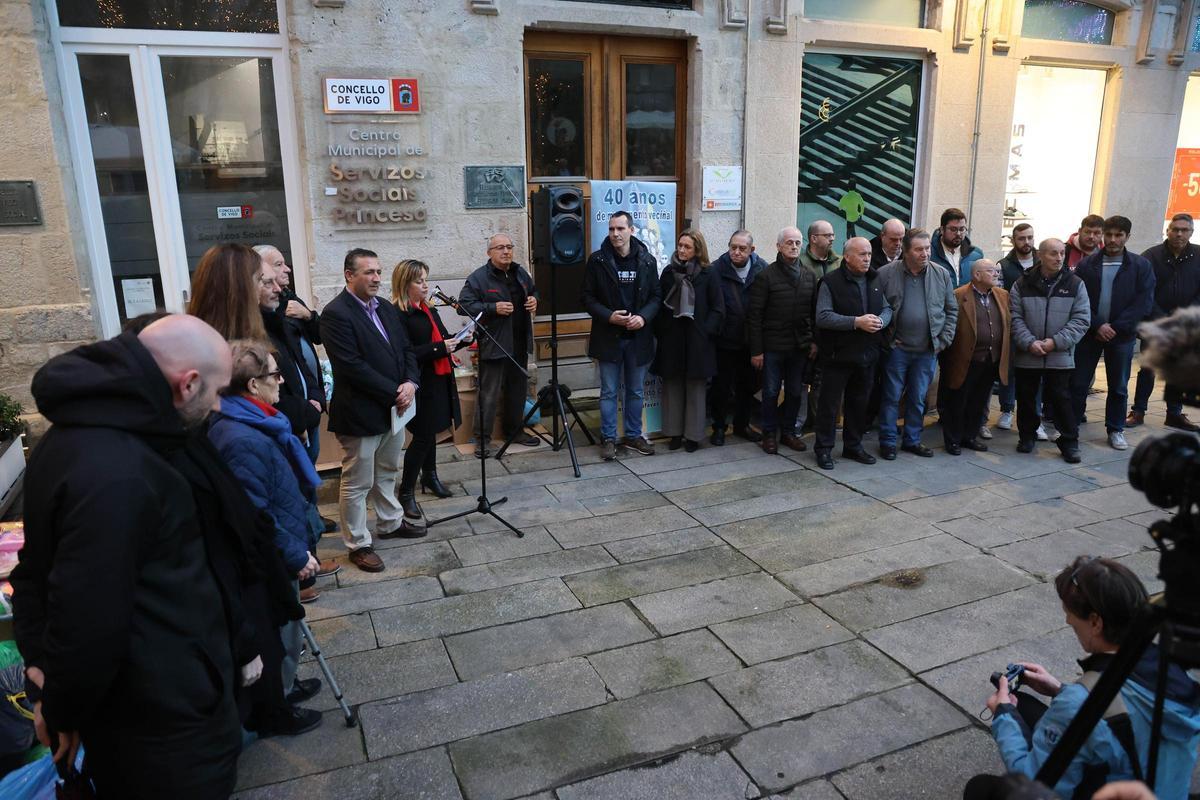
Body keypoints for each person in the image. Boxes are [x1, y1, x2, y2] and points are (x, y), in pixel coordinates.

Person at [11, 315, 256, 799]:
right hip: (163, 728)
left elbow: (39, 572)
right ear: (186, 385)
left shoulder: (84, 431)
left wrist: (49, 680)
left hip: (155, 710)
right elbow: (87, 619)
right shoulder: (119, 472)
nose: (220, 405)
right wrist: (60, 705)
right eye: (218, 391)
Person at [985, 556, 1200, 800]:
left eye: (1071, 616)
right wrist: (1059, 689)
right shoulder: (1172, 671)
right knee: (1027, 708)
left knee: (981, 788)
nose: (1067, 620)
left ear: (1096, 622)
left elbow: (1036, 784)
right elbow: (1127, 707)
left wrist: (1002, 714)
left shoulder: (1075, 704)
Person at [207, 340, 323, 737]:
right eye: (275, 374)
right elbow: (256, 512)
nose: (282, 380)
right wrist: (294, 552)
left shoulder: (255, 420)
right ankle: (278, 704)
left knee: (285, 626)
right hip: (272, 552)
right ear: (253, 385)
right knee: (279, 627)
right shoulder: (242, 438)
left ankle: (287, 687)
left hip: (282, 540)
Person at [320, 248, 421, 573]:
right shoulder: (335, 313)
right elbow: (351, 366)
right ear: (349, 275)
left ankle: (390, 523)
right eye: (368, 272)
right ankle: (358, 543)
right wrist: (395, 391)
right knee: (358, 481)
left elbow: (405, 349)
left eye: (378, 271)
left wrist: (411, 383)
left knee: (388, 470)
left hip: (394, 408)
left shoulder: (387, 308)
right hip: (361, 413)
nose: (377, 278)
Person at [581, 210, 662, 460]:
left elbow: (656, 296)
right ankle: (607, 439)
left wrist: (643, 317)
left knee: (636, 391)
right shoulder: (597, 261)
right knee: (608, 391)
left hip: (638, 338)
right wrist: (608, 315)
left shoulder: (647, 260)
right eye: (611, 229)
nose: (615, 234)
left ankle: (634, 435)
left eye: (620, 229)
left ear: (632, 230)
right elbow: (586, 298)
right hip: (608, 336)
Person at [1071, 216, 1156, 451]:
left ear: (1127, 237)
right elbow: (1080, 299)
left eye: (1118, 235)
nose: (1112, 239)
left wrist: (1115, 327)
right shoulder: (1087, 265)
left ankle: (1115, 428)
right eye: (1108, 234)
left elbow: (1143, 302)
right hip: (1091, 333)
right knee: (1078, 383)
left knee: (1118, 385)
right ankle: (1071, 426)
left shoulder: (1140, 266)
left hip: (1122, 336)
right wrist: (1098, 325)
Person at [876, 228, 958, 459]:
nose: (925, 254)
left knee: (918, 397)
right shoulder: (886, 274)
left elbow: (951, 310)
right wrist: (886, 340)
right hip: (897, 350)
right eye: (919, 249)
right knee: (891, 397)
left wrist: (942, 341)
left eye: (928, 248)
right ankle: (888, 441)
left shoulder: (940, 274)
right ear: (906, 251)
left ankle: (912, 440)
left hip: (927, 350)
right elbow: (875, 309)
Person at [393, 259, 470, 503]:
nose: (425, 285)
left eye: (426, 279)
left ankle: (430, 476)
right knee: (424, 436)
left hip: (438, 379)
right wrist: (439, 348)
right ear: (405, 284)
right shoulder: (399, 314)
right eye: (419, 281)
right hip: (418, 382)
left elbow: (445, 339)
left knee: (433, 431)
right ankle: (406, 490)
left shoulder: (429, 309)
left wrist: (465, 338)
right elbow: (404, 353)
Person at [1010, 238, 1091, 463]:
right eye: (1053, 253)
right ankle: (1026, 436)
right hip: (1029, 354)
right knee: (1026, 398)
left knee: (1062, 399)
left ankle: (1069, 441)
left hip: (1059, 355)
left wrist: (1055, 342)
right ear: (1041, 256)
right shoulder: (1022, 284)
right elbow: (1015, 317)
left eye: (1062, 253)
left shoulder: (1075, 284)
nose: (1059, 258)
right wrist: (1029, 342)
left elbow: (1081, 319)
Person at [460, 233, 539, 457]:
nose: (506, 251)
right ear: (489, 253)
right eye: (500, 248)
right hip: (494, 343)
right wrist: (493, 308)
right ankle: (482, 440)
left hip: (519, 341)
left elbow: (534, 291)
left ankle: (514, 431)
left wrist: (535, 300)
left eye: (509, 247)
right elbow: (463, 306)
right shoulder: (478, 278)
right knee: (489, 393)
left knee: (517, 390)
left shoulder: (519, 272)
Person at [812, 236, 889, 469]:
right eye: (862, 254)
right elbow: (822, 317)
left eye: (868, 254)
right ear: (847, 257)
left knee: (859, 403)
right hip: (838, 355)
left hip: (867, 355)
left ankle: (853, 446)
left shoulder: (874, 279)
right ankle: (824, 449)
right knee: (830, 405)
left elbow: (886, 307)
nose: (867, 259)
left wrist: (881, 321)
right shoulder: (830, 282)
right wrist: (856, 322)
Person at [651, 229, 724, 452]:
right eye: (680, 245)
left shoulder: (708, 274)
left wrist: (705, 332)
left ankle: (693, 436)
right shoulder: (668, 272)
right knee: (672, 387)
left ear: (697, 250)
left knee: (696, 389)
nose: (682, 250)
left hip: (697, 340)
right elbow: (658, 303)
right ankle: (674, 433)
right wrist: (662, 330)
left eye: (687, 247)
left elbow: (718, 308)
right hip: (672, 339)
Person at [747, 226, 817, 455]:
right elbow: (754, 316)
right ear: (778, 246)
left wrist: (813, 341)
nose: (794, 246)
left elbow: (814, 314)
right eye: (789, 242)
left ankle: (788, 432)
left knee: (796, 392)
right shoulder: (766, 276)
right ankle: (769, 433)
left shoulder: (809, 276)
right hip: (773, 346)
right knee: (770, 391)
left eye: (798, 242)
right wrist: (757, 351)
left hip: (799, 347)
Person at [1128, 214, 1200, 432]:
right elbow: (1143, 290)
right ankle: (1138, 411)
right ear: (1167, 230)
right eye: (1175, 229)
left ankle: (1174, 414)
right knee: (1148, 367)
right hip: (1156, 323)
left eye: (1184, 230)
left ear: (1191, 232)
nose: (1179, 234)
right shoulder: (1151, 256)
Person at [254, 245, 326, 460]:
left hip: (309, 405)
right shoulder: (261, 321)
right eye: (278, 265)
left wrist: (309, 315)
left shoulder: (290, 298)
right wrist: (299, 414)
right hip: (289, 416)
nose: (288, 269)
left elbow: (309, 348)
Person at [941, 260, 1010, 455]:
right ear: (977, 275)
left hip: (990, 359)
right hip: (965, 359)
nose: (996, 274)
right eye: (991, 271)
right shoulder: (959, 295)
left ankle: (969, 437)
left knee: (978, 402)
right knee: (958, 401)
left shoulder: (1002, 295)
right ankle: (953, 440)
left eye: (996, 271)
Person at [709, 229, 767, 445]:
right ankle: (719, 427)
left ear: (752, 250)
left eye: (742, 248)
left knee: (748, 386)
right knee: (721, 387)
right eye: (733, 247)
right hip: (724, 340)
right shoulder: (716, 269)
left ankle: (742, 425)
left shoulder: (762, 269)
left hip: (750, 341)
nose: (736, 252)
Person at [994, 223, 1039, 434]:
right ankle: (1007, 409)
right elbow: (999, 296)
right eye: (1021, 238)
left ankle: (1034, 415)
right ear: (1013, 240)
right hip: (1011, 325)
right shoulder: (1003, 265)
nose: (1026, 242)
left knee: (1036, 372)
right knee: (1008, 369)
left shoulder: (1042, 262)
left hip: (1038, 326)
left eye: (1030, 237)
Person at [187, 242, 269, 341]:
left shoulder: (192, 341)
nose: (262, 286)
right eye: (259, 279)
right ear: (240, 287)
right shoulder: (247, 352)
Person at [930, 207, 984, 287]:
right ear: (942, 230)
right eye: (953, 229)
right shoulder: (929, 253)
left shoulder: (976, 254)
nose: (958, 233)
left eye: (962, 229)